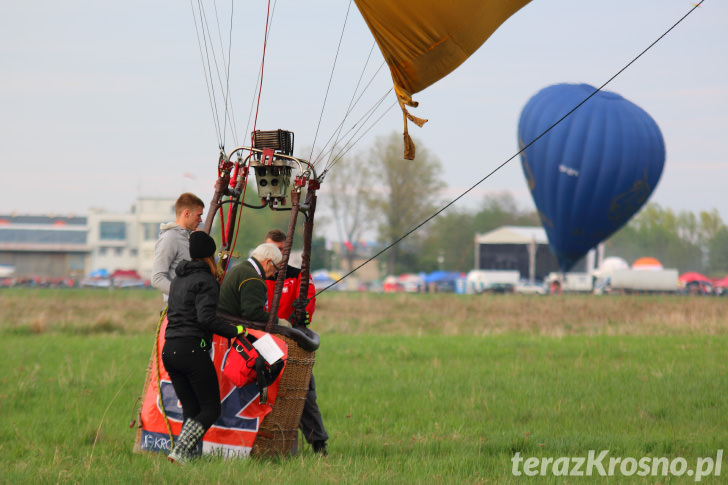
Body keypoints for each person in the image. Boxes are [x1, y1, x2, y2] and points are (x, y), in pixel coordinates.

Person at [162, 231, 248, 464]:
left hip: (170, 350)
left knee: (192, 409)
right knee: (211, 409)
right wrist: (236, 331)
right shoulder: (207, 281)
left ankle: (188, 459)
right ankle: (180, 451)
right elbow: (206, 318)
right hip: (192, 350)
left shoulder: (178, 278)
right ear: (211, 255)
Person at [262, 229, 329, 456]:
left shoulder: (298, 276)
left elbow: (309, 305)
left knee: (304, 392)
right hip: (262, 342)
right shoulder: (255, 275)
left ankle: (319, 443)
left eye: (282, 250)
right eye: (273, 250)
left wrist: (302, 312)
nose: (277, 255)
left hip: (290, 341)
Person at [151, 192, 205, 300]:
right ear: (186, 213)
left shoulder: (190, 238)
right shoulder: (170, 238)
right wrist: (184, 295)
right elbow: (157, 278)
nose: (201, 220)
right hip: (178, 311)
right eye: (198, 215)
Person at [217, 243, 284, 323]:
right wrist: (277, 321)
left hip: (221, 323)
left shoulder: (240, 269)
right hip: (230, 328)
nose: (274, 274)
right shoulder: (253, 278)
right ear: (268, 262)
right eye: (276, 269)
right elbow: (253, 314)